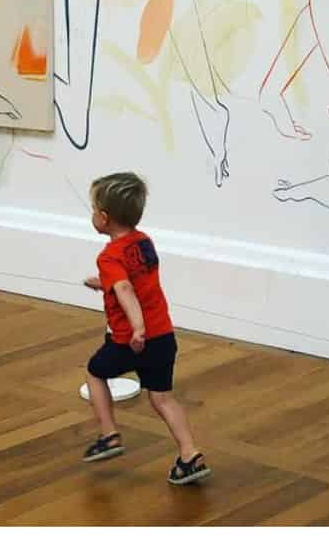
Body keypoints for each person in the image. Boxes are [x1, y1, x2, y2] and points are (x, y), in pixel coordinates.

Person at [80, 171, 209, 484]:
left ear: (105, 218)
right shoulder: (145, 242)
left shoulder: (109, 255)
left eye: (94, 209)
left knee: (95, 373)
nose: (92, 214)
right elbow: (136, 280)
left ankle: (109, 434)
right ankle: (190, 454)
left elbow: (125, 289)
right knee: (162, 398)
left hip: (131, 340)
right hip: (163, 336)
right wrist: (104, 284)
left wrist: (137, 327)